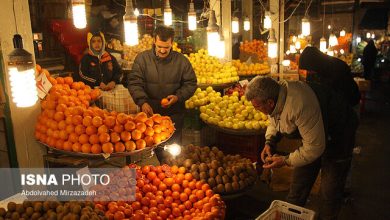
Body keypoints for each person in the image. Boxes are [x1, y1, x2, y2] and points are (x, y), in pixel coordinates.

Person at [245, 76, 358, 220]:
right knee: (298, 185)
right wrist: (269, 142)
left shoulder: (300, 104)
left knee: (330, 190)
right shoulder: (276, 94)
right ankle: (290, 215)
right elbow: (274, 119)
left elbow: (314, 148)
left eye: (257, 107)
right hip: (312, 134)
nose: (257, 110)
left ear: (270, 102)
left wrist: (285, 160)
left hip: (339, 135)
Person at [128, 25, 197, 161]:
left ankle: (172, 173)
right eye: (160, 46)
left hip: (174, 114)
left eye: (166, 47)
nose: (163, 50)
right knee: (151, 150)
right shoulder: (142, 59)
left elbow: (191, 83)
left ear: (172, 43)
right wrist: (142, 101)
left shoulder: (181, 61)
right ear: (154, 40)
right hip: (150, 114)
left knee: (173, 153)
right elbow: (134, 82)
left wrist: (178, 96)